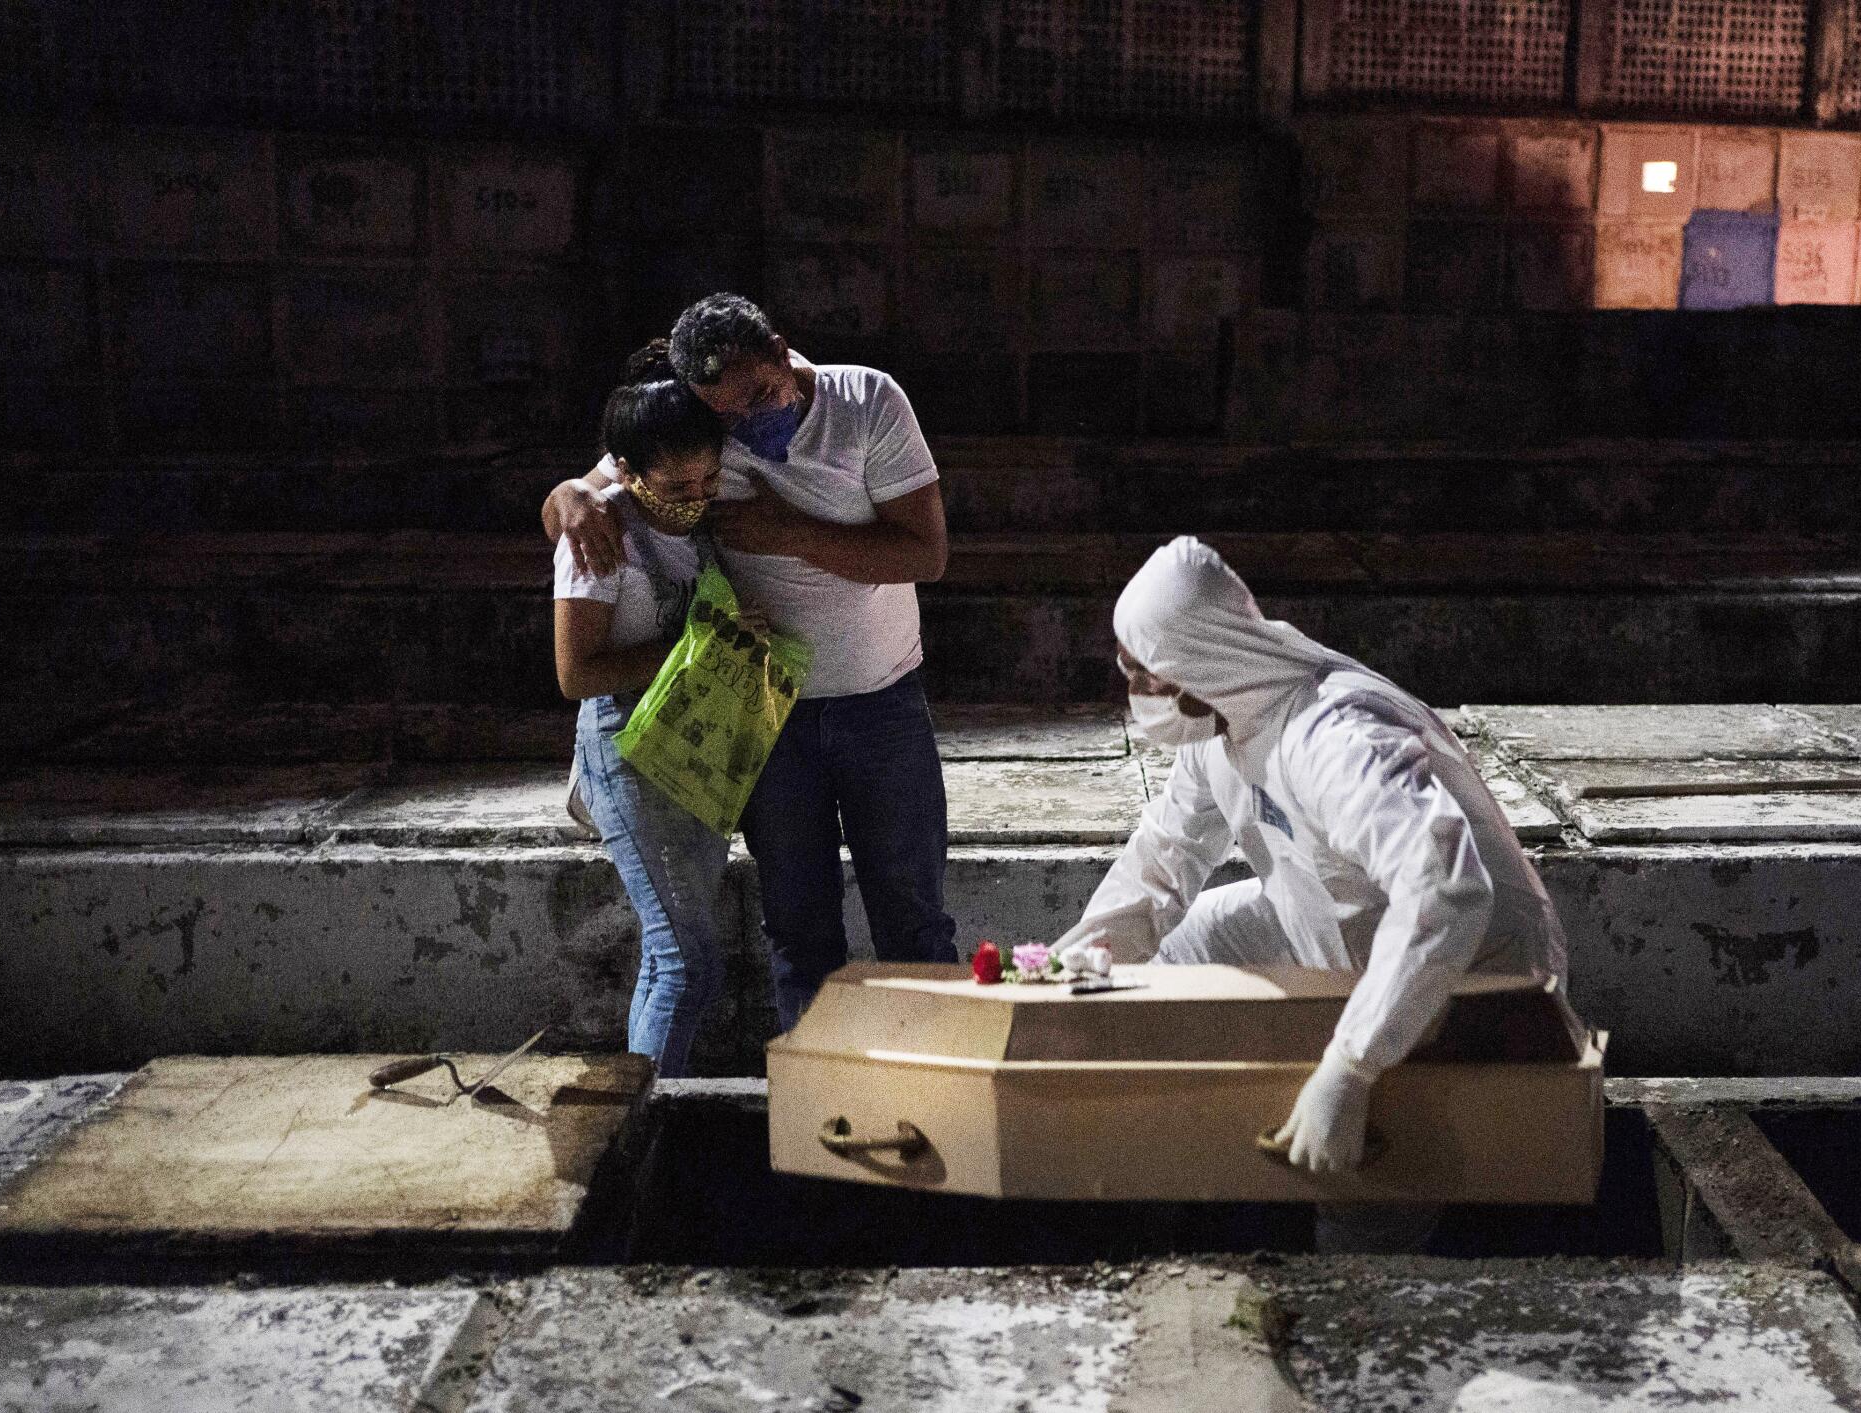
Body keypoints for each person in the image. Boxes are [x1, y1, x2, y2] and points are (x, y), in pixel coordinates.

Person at [1055, 536, 1569, 1254]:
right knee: (1183, 943)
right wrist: (1067, 967)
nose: (1133, 691)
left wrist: (1350, 1067)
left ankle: (1360, 1287)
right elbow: (1163, 860)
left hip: (1473, 965)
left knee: (1374, 1165)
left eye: (1141, 673)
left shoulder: (1335, 737)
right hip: (1339, 917)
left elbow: (1447, 891)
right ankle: (1172, 1169)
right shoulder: (1221, 718)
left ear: (1191, 669)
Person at [544, 294, 957, 1027]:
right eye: (730, 414)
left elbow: (924, 553)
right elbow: (596, 491)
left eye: (762, 394)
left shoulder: (867, 400)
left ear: (779, 347)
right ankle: (816, 1115)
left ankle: (945, 1104)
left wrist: (786, 532)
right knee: (798, 930)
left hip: (880, 702)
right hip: (770, 718)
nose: (749, 420)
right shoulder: (705, 423)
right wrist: (570, 494)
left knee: (915, 923)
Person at [553, 341, 740, 1078]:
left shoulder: (699, 519)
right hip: (627, 745)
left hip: (693, 742)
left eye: (709, 477)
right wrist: (692, 648)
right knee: (683, 959)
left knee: (681, 959)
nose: (695, 495)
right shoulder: (602, 534)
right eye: (676, 482)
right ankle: (642, 1130)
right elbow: (575, 673)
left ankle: (647, 1112)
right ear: (625, 470)